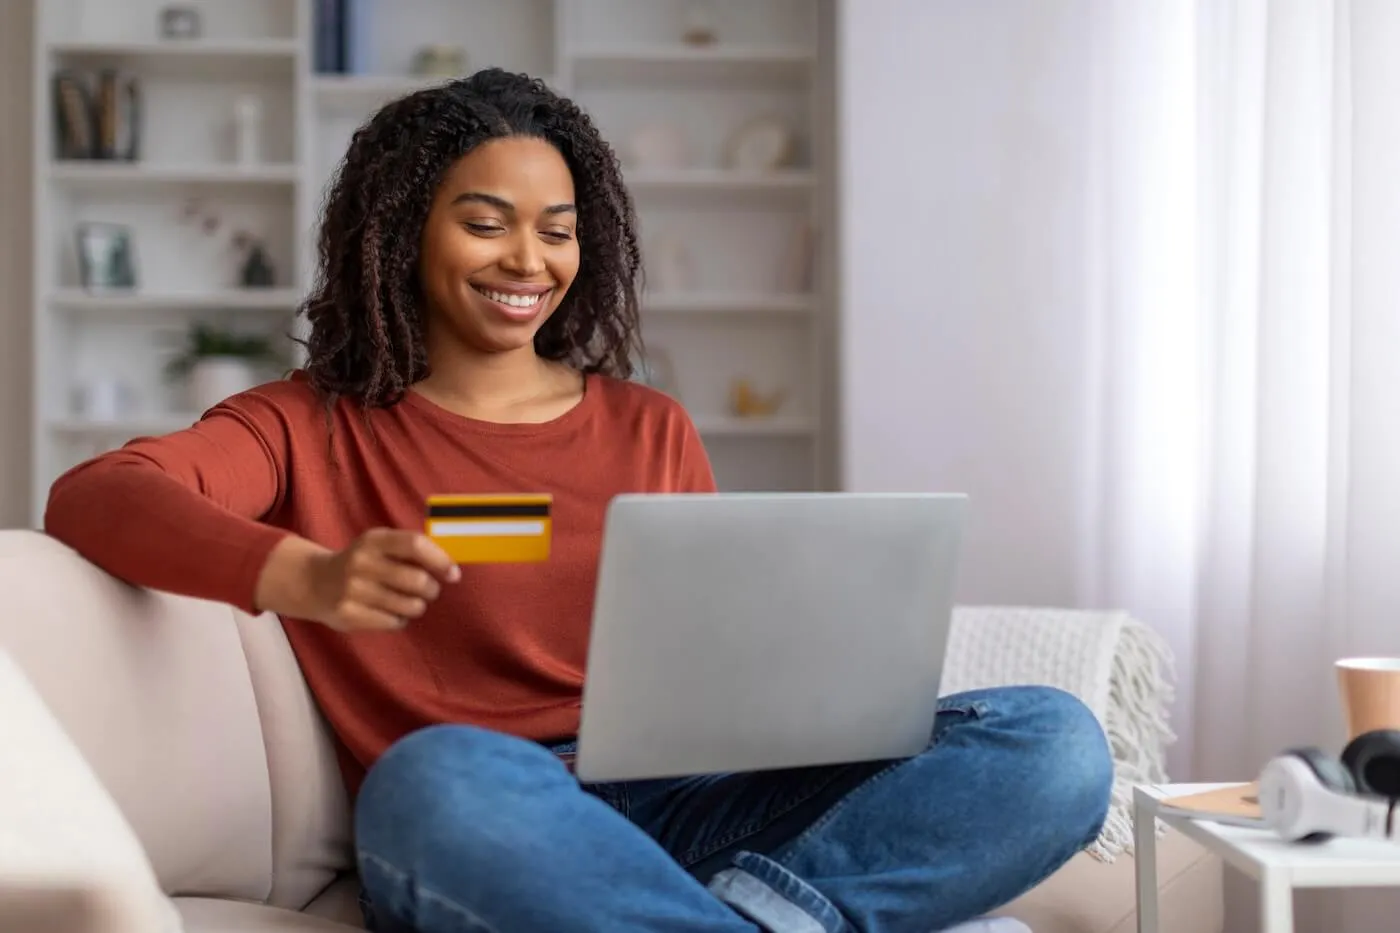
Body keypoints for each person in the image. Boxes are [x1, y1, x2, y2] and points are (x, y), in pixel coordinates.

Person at [43, 69, 1113, 933]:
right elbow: (98, 495)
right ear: (401, 231)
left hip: (687, 801)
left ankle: (750, 918)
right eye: (485, 222)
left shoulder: (648, 427)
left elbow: (706, 657)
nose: (529, 259)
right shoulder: (302, 423)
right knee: (436, 774)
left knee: (1051, 740)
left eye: (557, 228)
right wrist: (301, 574)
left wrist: (797, 683)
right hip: (497, 819)